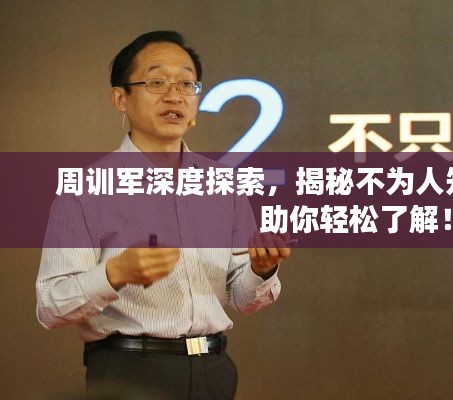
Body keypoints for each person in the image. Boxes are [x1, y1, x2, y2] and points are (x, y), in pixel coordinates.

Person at [36, 31, 290, 400]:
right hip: (129, 373)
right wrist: (116, 273)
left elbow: (244, 299)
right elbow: (51, 306)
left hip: (213, 370)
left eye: (187, 83)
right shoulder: (85, 191)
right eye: (156, 82)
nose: (174, 95)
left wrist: (260, 269)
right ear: (120, 98)